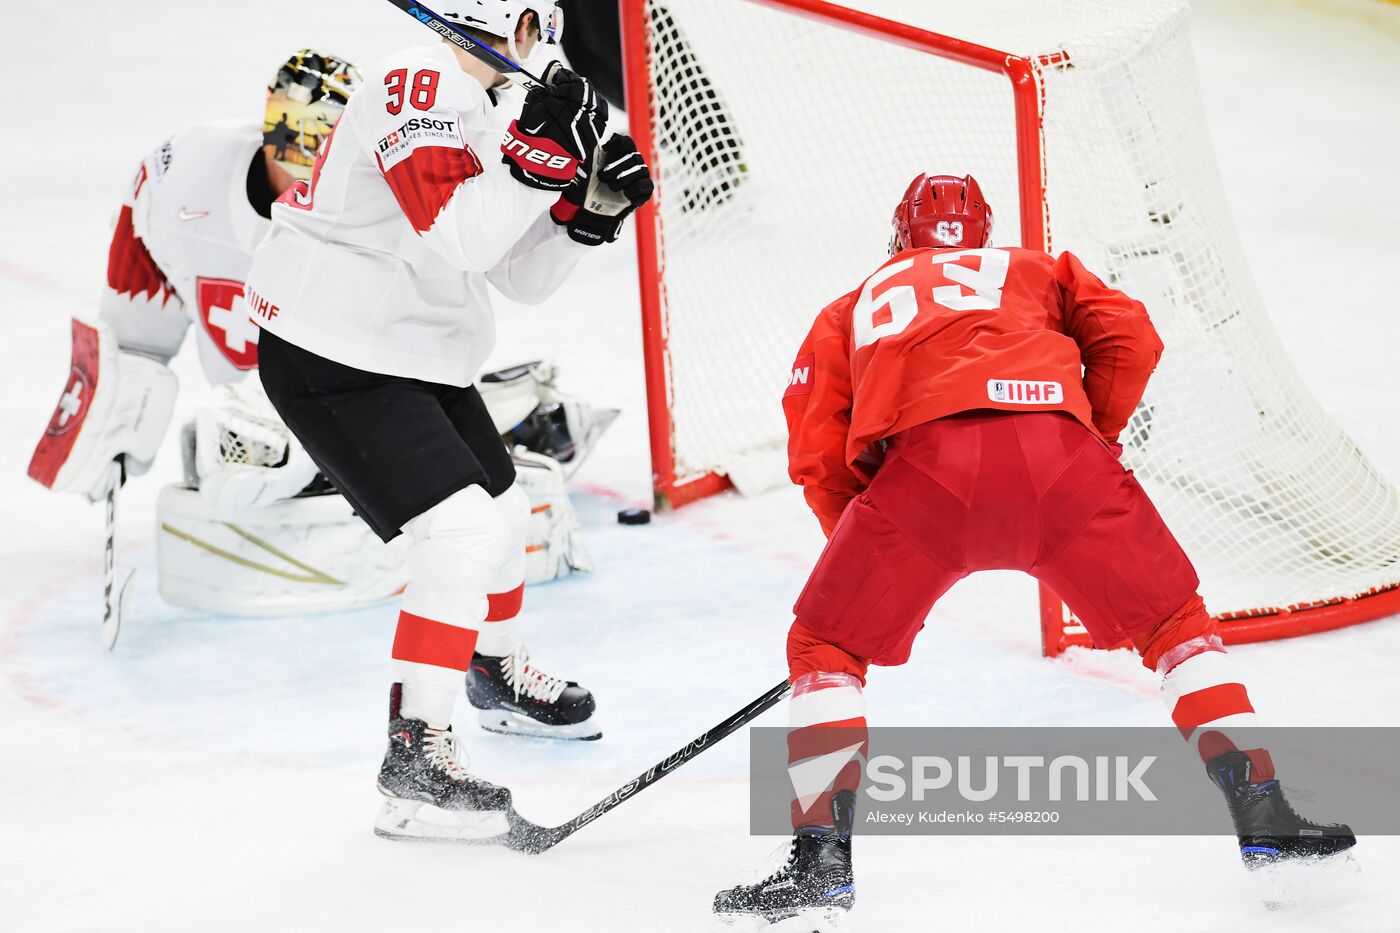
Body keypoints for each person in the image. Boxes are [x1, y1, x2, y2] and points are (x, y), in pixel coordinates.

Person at [712, 174, 1355, 925]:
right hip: (1066, 462)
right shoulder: (1035, 268)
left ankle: (821, 863)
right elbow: (1131, 334)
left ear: (899, 236)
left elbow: (817, 441)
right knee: (1177, 629)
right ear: (983, 234)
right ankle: (1266, 815)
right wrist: (1091, 436)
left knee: (825, 646)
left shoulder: (853, 304)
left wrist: (865, 552)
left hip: (927, 480)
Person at [245, 1, 654, 841]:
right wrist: (538, 165)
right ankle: (414, 752)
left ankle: (492, 672)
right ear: (502, 20)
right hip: (332, 352)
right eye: (540, 25)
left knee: (507, 518)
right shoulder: (414, 78)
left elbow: (518, 278)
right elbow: (461, 236)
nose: (549, 45)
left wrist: (588, 217)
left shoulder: (496, 107)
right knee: (461, 534)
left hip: (415, 351)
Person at [28, 49, 609, 622]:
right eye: (302, 159)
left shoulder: (392, 177)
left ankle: (512, 428)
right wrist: (115, 419)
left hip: (364, 384)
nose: (313, 181)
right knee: (243, 455)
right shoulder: (183, 174)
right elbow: (133, 330)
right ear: (270, 142)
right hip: (277, 396)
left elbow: (446, 304)